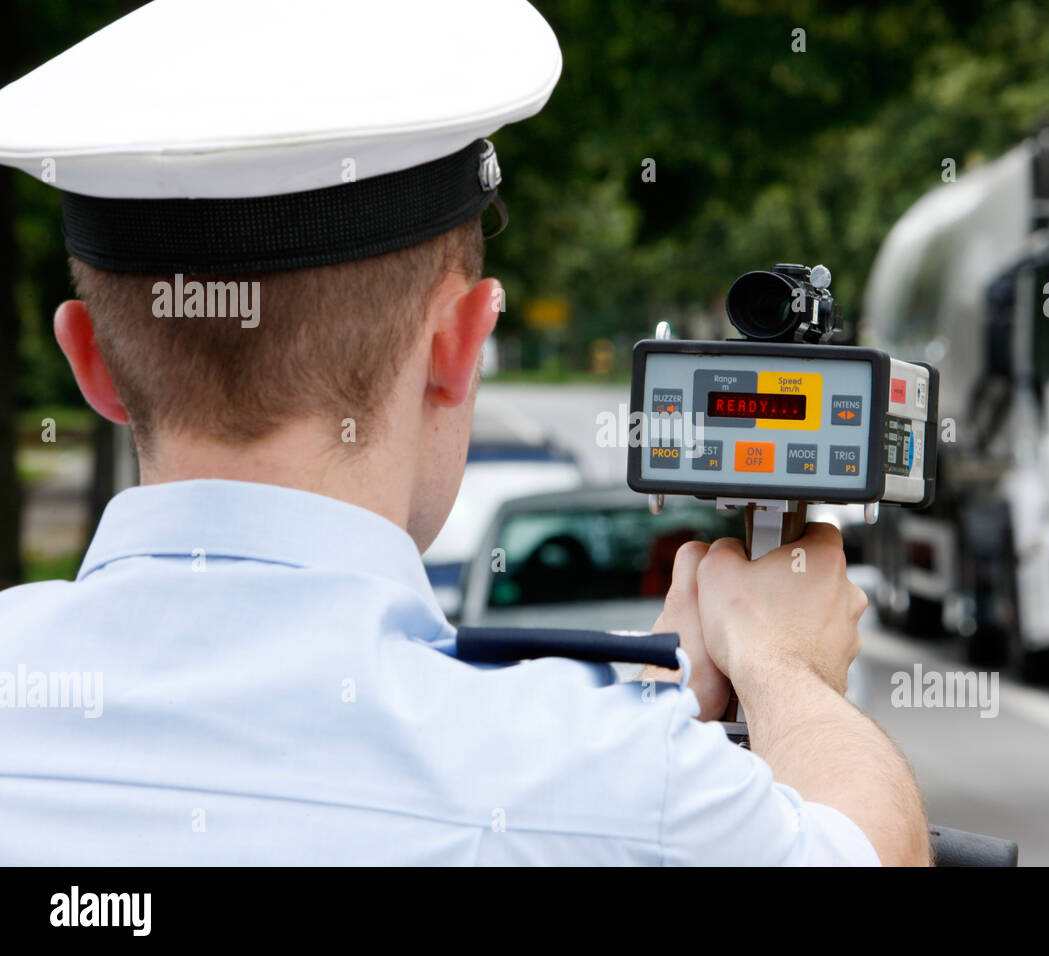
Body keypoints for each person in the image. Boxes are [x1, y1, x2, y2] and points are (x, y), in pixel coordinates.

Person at [0, 0, 928, 865]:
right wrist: (783, 667)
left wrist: (662, 694)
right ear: (460, 342)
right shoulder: (603, 779)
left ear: (92, 365)